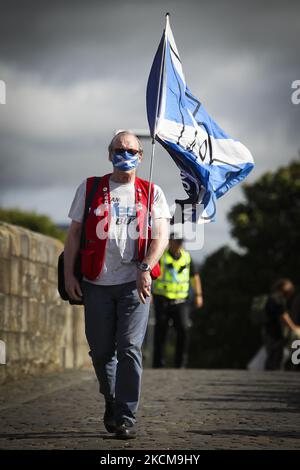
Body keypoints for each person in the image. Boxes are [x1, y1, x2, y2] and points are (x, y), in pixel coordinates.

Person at [64, 131, 171, 439]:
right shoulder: (91, 187)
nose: (126, 154)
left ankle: (125, 415)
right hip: (96, 281)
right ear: (109, 154)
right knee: (100, 352)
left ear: (140, 155)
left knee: (129, 347)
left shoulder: (152, 192)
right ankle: (111, 400)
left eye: (132, 150)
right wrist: (70, 275)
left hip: (134, 284)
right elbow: (73, 235)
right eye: (119, 149)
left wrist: (146, 267)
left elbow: (161, 236)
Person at [152, 234, 203, 368]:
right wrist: (149, 294)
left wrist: (198, 295)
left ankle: (180, 363)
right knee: (161, 332)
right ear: (170, 242)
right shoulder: (161, 256)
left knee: (184, 330)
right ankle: (158, 364)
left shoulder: (186, 257)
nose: (179, 244)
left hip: (181, 301)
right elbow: (151, 274)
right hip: (162, 299)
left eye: (181, 242)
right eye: (177, 241)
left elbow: (194, 276)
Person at [263, 278, 300, 370]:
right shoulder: (277, 298)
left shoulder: (273, 297)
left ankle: (270, 373)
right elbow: (283, 315)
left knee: (274, 354)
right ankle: (272, 374)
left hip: (270, 331)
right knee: (275, 354)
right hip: (274, 332)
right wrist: (293, 328)